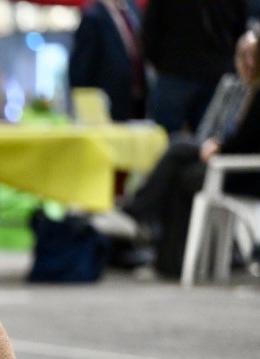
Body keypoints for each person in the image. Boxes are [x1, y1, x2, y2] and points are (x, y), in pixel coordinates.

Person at [92, 28, 260, 277]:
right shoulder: (232, 87)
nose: (247, 62)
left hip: (242, 171)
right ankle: (167, 258)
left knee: (181, 158)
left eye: (253, 56)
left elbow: (249, 142)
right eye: (243, 55)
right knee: (182, 164)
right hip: (226, 159)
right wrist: (214, 146)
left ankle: (138, 216)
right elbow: (220, 130)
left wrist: (219, 148)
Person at [142, 0, 247, 135]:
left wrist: (160, 63)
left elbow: (150, 29)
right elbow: (240, 32)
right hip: (217, 74)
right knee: (211, 140)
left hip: (174, 72)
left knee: (162, 140)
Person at [68, 0, 147, 121]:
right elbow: (80, 69)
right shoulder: (93, 16)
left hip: (136, 101)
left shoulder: (131, 11)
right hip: (108, 104)